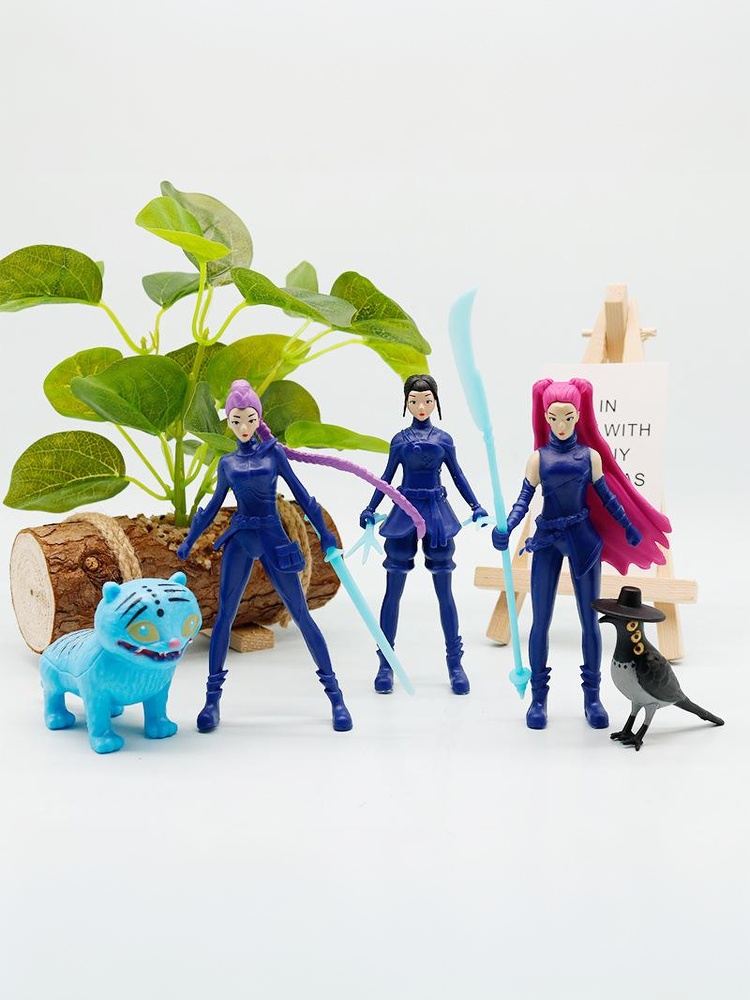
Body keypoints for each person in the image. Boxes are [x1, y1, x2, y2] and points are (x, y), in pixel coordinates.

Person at [177, 379, 421, 733]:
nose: (243, 427)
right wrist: (190, 541)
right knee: (225, 615)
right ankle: (211, 701)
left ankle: (336, 697)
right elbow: (213, 505)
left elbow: (303, 495)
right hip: (241, 538)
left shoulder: (273, 454)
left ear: (258, 418)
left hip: (273, 537)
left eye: (249, 420)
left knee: (301, 614)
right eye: (236, 421)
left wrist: (324, 534)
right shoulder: (227, 463)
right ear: (228, 422)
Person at [492, 377, 671, 730]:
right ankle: (538, 698)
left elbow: (608, 497)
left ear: (578, 416)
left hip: (584, 540)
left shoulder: (589, 457)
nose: (561, 425)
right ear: (545, 416)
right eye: (554, 418)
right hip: (547, 539)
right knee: (540, 621)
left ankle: (592, 697)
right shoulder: (538, 459)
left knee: (589, 622)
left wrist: (628, 526)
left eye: (568, 417)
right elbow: (523, 501)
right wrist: (507, 528)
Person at [360, 374, 488, 694]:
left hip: (437, 514)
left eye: (427, 400)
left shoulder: (443, 439)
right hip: (404, 511)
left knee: (445, 591)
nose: (420, 406)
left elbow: (457, 475)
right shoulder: (400, 441)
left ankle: (455, 664)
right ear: (406, 403)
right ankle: (385, 663)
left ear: (435, 402)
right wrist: (370, 507)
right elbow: (386, 478)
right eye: (414, 401)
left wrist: (475, 505)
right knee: (393, 590)